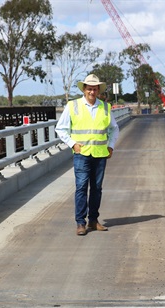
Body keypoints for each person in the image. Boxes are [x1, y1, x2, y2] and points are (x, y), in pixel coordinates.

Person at [56, 74, 120, 236]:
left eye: (95, 89)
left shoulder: (105, 107)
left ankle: (93, 220)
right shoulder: (73, 106)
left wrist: (111, 146)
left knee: (97, 188)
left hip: (100, 154)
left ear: (98, 90)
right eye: (89, 88)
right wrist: (73, 144)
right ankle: (80, 223)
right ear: (84, 90)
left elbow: (114, 128)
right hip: (81, 154)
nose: (92, 91)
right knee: (82, 187)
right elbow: (61, 128)